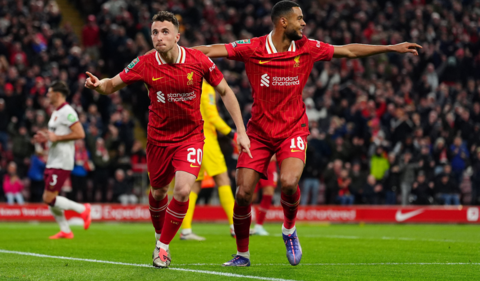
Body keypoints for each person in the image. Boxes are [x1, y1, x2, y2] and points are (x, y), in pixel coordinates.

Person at [193, 0, 421, 266]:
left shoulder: (308, 47)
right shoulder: (253, 47)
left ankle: (289, 230)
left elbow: (347, 50)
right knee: (243, 193)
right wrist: (173, 55)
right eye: (299, 18)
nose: (304, 23)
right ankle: (242, 254)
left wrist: (390, 48)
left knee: (289, 183)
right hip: (258, 133)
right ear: (283, 22)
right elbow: (210, 50)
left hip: (293, 129)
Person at [84, 11, 251, 268]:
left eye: (164, 32)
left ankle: (162, 247)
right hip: (158, 140)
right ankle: (159, 235)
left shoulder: (198, 60)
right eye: (154, 32)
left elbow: (226, 91)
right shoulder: (144, 63)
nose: (159, 37)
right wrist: (99, 85)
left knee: (183, 190)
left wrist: (240, 129)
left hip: (191, 138)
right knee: (158, 191)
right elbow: (112, 85)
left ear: (177, 36)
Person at [179, 80, 238, 241]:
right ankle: (235, 225)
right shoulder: (206, 87)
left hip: (191, 138)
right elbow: (212, 116)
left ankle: (186, 230)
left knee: (195, 185)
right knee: (222, 178)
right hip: (207, 140)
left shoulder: (189, 85)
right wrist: (232, 133)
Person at [33, 81, 92, 239]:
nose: (47, 94)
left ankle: (83, 209)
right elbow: (55, 134)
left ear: (57, 94)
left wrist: (57, 137)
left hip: (62, 160)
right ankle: (65, 230)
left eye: (49, 92)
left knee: (48, 198)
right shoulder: (56, 112)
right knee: (51, 197)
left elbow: (80, 133)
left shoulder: (67, 111)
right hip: (53, 159)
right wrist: (45, 137)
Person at [250, 156, 278, 236]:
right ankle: (241, 223)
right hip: (255, 163)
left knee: (268, 193)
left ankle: (259, 225)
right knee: (250, 196)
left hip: (270, 166)